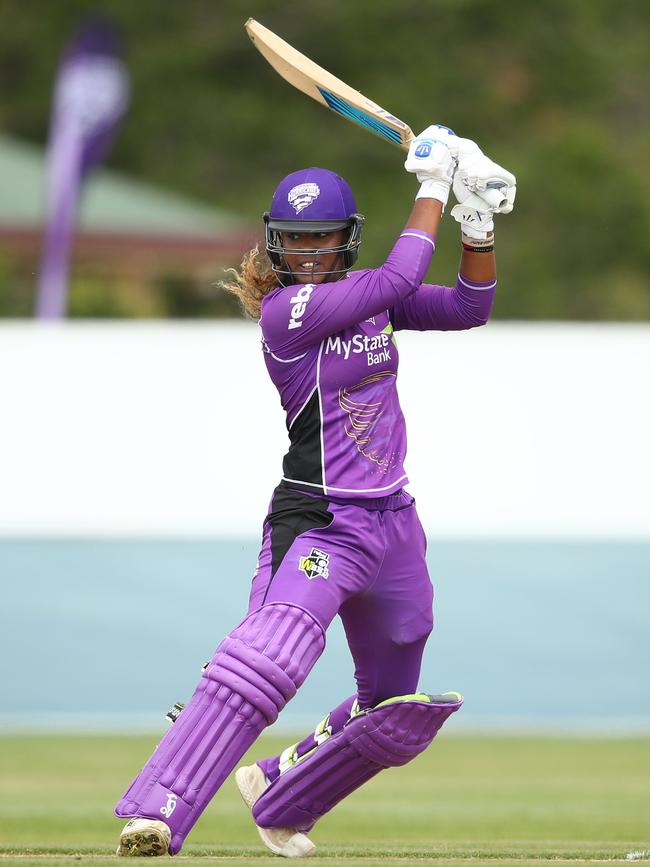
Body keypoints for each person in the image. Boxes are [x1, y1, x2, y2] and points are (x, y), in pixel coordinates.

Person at [115, 125, 516, 858]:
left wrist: (477, 220)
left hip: (393, 523)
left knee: (395, 705)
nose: (307, 254)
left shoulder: (369, 302)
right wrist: (432, 184)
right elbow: (397, 278)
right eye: (294, 241)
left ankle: (281, 789)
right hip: (319, 523)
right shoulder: (286, 315)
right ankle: (157, 811)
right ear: (274, 244)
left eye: (322, 239)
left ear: (346, 238)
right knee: (271, 659)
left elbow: (469, 306)